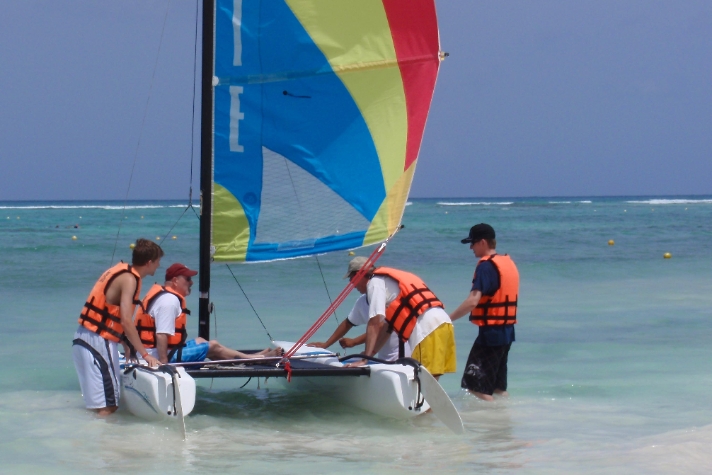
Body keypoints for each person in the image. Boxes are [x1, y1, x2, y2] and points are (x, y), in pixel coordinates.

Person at [72, 238, 163, 415]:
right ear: (149, 262)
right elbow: (126, 321)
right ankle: (108, 442)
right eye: (158, 261)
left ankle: (92, 439)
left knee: (99, 405)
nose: (159, 265)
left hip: (82, 338)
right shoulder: (130, 279)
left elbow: (110, 313)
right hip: (98, 341)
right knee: (109, 405)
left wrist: (125, 342)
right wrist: (145, 354)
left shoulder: (120, 271)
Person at [134, 263, 282, 364]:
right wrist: (164, 365)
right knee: (213, 347)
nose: (191, 283)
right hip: (158, 356)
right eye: (188, 279)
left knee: (201, 341)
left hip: (159, 351)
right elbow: (161, 335)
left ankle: (252, 357)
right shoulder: (169, 301)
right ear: (175, 281)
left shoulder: (164, 295)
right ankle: (255, 359)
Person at [342, 257, 456, 379]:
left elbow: (374, 323)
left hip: (426, 330)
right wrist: (370, 354)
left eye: (352, 279)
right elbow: (387, 328)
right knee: (430, 381)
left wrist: (364, 360)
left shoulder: (375, 283)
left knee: (423, 382)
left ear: (360, 274)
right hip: (444, 324)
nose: (352, 285)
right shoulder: (391, 284)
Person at [448, 223, 519, 401]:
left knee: (475, 386)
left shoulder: (486, 267)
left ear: (483, 242)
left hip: (491, 334)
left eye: (472, 243)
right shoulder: (506, 262)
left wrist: (447, 319)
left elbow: (473, 301)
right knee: (497, 386)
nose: (471, 248)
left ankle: (492, 421)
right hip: (507, 332)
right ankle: (504, 422)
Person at [308, 293, 411, 361]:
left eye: (353, 278)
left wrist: (354, 342)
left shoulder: (385, 299)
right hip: (381, 357)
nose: (352, 282)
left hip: (403, 356)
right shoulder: (362, 301)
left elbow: (380, 327)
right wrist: (326, 344)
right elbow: (348, 323)